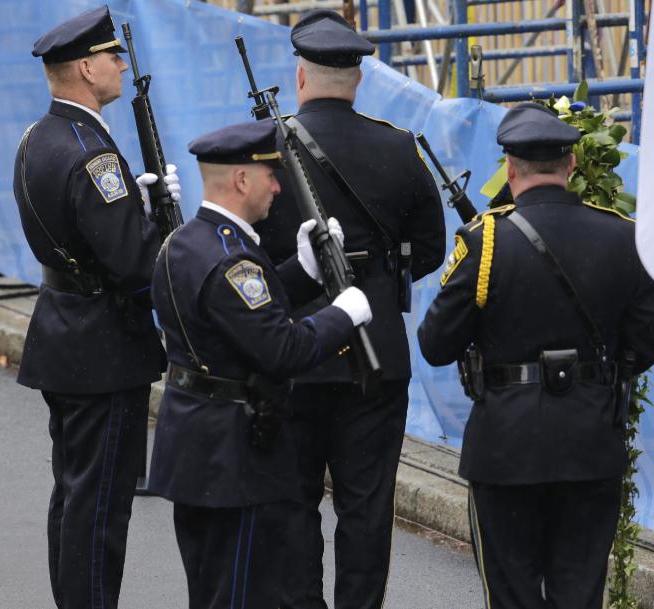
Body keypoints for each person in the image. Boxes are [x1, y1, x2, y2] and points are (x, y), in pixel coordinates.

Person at [418, 102, 654, 608]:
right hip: (591, 443)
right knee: (578, 592)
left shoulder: (484, 242)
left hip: (506, 449)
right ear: (571, 165)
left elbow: (436, 344)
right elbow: (647, 340)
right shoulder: (623, 235)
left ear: (509, 167)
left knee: (513, 595)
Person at [252, 10, 446, 609]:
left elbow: (248, 258)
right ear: (358, 79)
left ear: (300, 78)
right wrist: (377, 282)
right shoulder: (397, 146)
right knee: (366, 510)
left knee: (292, 503)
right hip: (376, 358)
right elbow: (430, 251)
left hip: (292, 351)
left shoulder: (264, 151)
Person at [148, 118, 373, 609]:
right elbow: (280, 349)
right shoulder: (234, 258)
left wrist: (303, 273)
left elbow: (235, 321)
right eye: (269, 174)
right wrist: (343, 314)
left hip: (196, 446)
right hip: (233, 458)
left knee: (212, 590)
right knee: (241, 594)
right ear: (242, 180)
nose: (277, 186)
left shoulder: (186, 242)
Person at [12, 6, 180, 609]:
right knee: (100, 505)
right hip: (103, 345)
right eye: (113, 55)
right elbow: (135, 264)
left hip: (63, 330)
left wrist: (131, 206)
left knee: (74, 493)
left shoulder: (40, 136)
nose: (121, 63)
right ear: (86, 67)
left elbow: (70, 229)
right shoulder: (94, 154)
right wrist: (161, 230)